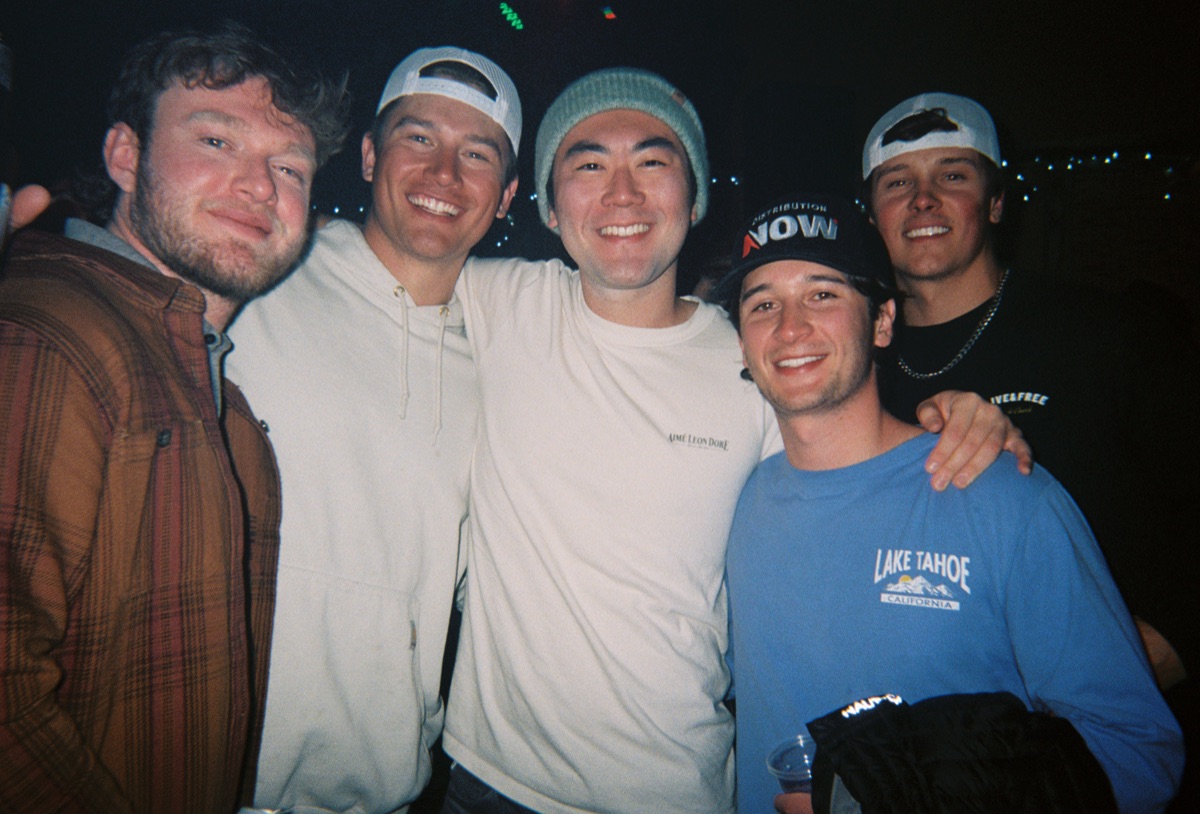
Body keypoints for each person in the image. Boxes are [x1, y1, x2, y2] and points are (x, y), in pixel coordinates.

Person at [440, 68, 1029, 814]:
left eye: (653, 162)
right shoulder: (494, 301)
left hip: (679, 787)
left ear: (695, 198)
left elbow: (851, 497)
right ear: (550, 209)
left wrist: (956, 418)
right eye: (588, 165)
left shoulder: (753, 359)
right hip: (489, 783)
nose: (622, 193)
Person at [719, 195, 1183, 814]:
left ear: (882, 321)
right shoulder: (734, 504)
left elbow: (1137, 751)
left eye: (823, 294)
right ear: (743, 344)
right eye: (763, 304)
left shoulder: (1002, 497)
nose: (790, 327)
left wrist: (905, 797)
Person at [0, 24, 348, 814]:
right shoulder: (48, 333)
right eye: (217, 138)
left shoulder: (211, 388)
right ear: (125, 156)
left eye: (287, 166)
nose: (259, 186)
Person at [862, 92, 1199, 806]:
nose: (923, 199)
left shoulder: (1109, 336)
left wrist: (1150, 656)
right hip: (934, 760)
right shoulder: (859, 369)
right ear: (873, 213)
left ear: (995, 202)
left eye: (953, 175)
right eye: (897, 183)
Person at [226, 47, 520, 814]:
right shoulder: (260, 276)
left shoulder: (508, 358)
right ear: (366, 155)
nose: (444, 175)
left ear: (509, 192)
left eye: (477, 153)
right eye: (418, 138)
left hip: (385, 789)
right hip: (205, 772)